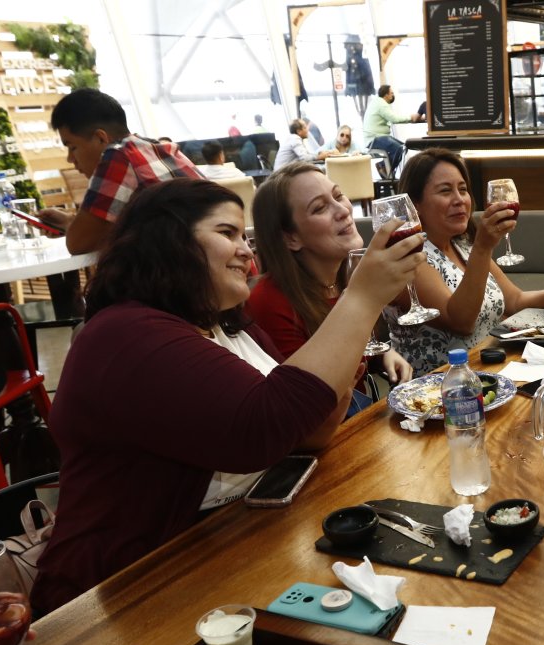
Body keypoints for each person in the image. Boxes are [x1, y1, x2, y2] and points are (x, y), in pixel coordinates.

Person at [30, 178, 422, 615]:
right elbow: (262, 431)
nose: (246, 251)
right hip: (122, 592)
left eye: (245, 236)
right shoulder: (125, 334)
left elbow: (305, 432)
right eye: (226, 233)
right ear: (169, 240)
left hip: (231, 546)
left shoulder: (226, 323)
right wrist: (363, 297)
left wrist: (346, 353)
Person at [386, 148, 544, 376]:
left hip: (492, 373)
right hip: (440, 389)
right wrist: (484, 246)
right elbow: (461, 322)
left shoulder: (463, 244)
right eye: (445, 191)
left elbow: (515, 301)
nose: (459, 200)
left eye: (463, 189)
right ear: (414, 205)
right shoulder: (410, 257)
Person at [246, 162, 412, 413]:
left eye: (338, 196)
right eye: (320, 208)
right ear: (291, 238)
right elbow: (305, 405)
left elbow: (354, 349)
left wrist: (381, 357)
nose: (343, 211)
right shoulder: (268, 301)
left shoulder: (347, 276)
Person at [36, 88, 202, 254]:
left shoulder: (117, 156)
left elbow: (78, 244)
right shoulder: (160, 148)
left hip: (179, 272)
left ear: (101, 138)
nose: (70, 159)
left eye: (73, 147)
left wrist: (73, 227)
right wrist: (70, 221)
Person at [363, 85, 418, 176]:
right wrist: (411, 117)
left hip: (377, 137)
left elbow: (393, 118)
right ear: (386, 95)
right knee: (400, 148)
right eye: (391, 93)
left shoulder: (378, 102)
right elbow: (394, 118)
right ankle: (383, 166)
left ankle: (386, 169)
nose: (393, 95)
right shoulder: (381, 104)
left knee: (403, 147)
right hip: (375, 138)